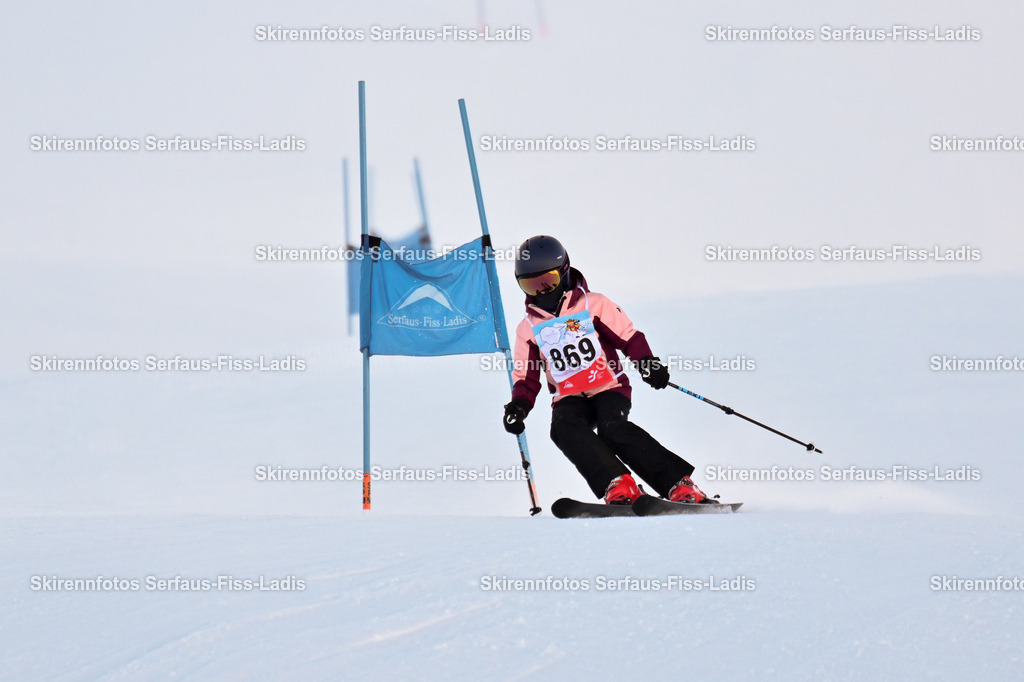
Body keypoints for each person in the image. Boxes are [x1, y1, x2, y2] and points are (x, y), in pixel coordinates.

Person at [502, 235, 716, 505]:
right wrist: (519, 406)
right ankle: (618, 484)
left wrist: (647, 363)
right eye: (531, 286)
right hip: (569, 397)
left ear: (565, 272)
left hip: (608, 387)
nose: (542, 292)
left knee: (612, 429)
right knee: (562, 428)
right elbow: (526, 375)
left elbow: (628, 336)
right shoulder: (528, 329)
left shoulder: (593, 304)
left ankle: (679, 484)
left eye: (549, 282)